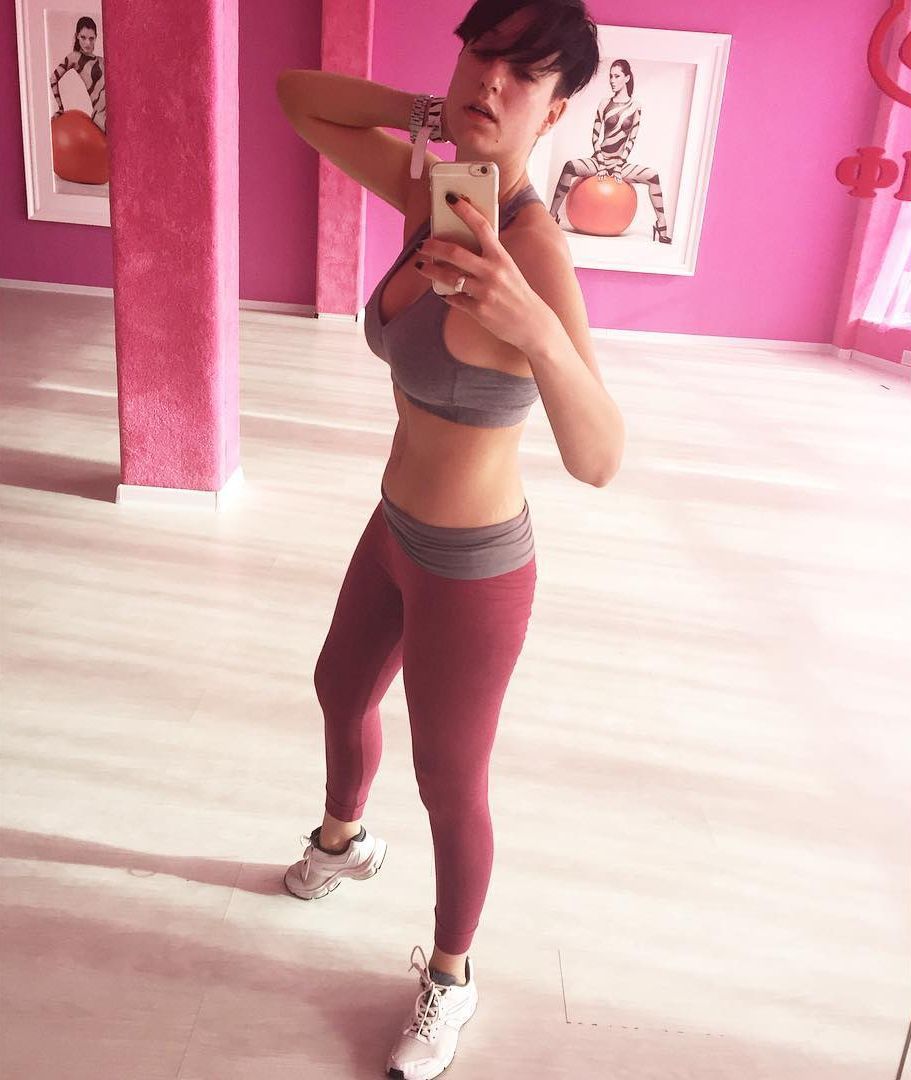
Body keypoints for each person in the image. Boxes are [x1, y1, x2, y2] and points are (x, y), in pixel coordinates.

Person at [276, 2, 625, 1076]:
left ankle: (450, 976)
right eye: (481, 55)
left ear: (555, 111)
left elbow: (600, 456)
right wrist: (424, 111)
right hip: (391, 527)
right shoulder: (435, 195)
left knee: (448, 782)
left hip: (473, 570)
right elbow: (298, 100)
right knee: (339, 688)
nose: (492, 82)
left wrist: (535, 330)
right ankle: (343, 842)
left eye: (524, 76)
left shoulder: (534, 251)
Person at [549, 58, 673, 243]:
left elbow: (631, 140)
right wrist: (600, 164)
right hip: (599, 160)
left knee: (653, 176)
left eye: (617, 76)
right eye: (610, 76)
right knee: (569, 166)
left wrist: (618, 167)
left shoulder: (636, 107)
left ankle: (661, 225)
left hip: (619, 163)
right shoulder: (604, 103)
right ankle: (552, 216)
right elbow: (595, 137)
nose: (612, 80)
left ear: (627, 78)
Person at [49, 16, 106, 134]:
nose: (87, 43)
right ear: (77, 36)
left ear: (96, 37)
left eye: (91, 38)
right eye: (83, 37)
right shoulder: (75, 57)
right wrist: (60, 108)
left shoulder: (101, 60)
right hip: (101, 117)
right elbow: (53, 78)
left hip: (115, 112)